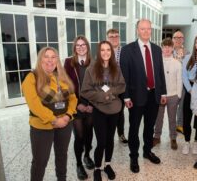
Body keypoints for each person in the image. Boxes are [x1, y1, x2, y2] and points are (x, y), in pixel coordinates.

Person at [22, 47, 77, 181]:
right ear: (40, 59)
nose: (50, 60)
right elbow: (35, 105)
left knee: (62, 155)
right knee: (40, 161)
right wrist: (54, 120)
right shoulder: (31, 77)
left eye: (53, 57)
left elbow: (73, 98)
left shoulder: (62, 76)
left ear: (57, 60)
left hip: (65, 123)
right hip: (42, 127)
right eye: (46, 57)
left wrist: (67, 116)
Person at [120, 19, 167, 173]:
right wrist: (126, 97)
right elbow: (124, 76)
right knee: (134, 128)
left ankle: (147, 151)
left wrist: (163, 92)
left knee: (149, 127)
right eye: (143, 29)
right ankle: (134, 156)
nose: (146, 31)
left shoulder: (156, 49)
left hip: (154, 95)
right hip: (135, 97)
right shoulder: (127, 50)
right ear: (137, 30)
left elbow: (160, 73)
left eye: (148, 29)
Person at [81, 41, 125, 181]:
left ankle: (107, 165)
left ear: (111, 52)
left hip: (114, 110)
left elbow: (122, 86)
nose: (106, 52)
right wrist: (101, 96)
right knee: (101, 142)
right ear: (98, 52)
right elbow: (85, 91)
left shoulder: (116, 68)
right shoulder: (91, 69)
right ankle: (97, 168)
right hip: (99, 110)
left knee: (110, 140)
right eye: (102, 50)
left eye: (108, 50)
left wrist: (111, 92)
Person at [64, 36, 94, 180]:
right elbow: (65, 87)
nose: (81, 47)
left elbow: (101, 86)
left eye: (83, 45)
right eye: (78, 45)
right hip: (76, 106)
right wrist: (78, 105)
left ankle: (87, 155)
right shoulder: (68, 63)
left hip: (91, 106)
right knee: (79, 136)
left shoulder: (95, 63)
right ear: (74, 48)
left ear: (87, 46)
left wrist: (92, 104)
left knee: (89, 134)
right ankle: (78, 164)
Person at [153, 38, 182, 150]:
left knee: (172, 118)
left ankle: (173, 138)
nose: (167, 49)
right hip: (160, 95)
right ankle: (157, 136)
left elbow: (179, 80)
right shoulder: (157, 62)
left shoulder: (177, 63)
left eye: (169, 47)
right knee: (158, 117)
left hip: (173, 95)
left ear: (172, 48)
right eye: (165, 47)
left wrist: (178, 95)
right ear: (162, 48)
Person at [106, 29, 128, 144]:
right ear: (107, 38)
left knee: (120, 112)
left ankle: (121, 134)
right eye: (111, 36)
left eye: (116, 36)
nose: (114, 38)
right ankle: (108, 135)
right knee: (107, 111)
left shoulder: (125, 51)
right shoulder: (104, 51)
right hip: (107, 88)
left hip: (121, 88)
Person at [172, 31, 189, 134]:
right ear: (173, 39)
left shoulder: (188, 53)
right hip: (170, 83)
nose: (178, 39)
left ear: (183, 39)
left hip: (183, 83)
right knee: (171, 106)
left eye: (180, 37)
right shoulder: (168, 51)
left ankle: (179, 125)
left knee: (182, 106)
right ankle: (171, 125)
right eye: (176, 37)